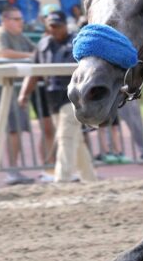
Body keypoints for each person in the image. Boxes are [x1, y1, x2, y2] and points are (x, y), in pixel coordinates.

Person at [18, 11, 97, 184]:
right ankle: (89, 178)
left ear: (64, 25)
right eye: (51, 26)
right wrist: (24, 94)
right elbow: (34, 71)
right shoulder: (43, 44)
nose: (54, 29)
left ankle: (63, 178)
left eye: (57, 26)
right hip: (52, 97)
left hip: (75, 96)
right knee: (75, 139)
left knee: (65, 137)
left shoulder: (78, 42)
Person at [0, 7, 37, 185]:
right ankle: (11, 171)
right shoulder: (0, 34)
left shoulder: (21, 36)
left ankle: (14, 169)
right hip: (2, 89)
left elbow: (37, 51)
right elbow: (3, 53)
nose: (20, 22)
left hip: (17, 90)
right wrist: (30, 56)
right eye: (16, 19)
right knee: (11, 130)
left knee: (16, 130)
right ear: (5, 20)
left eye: (21, 19)